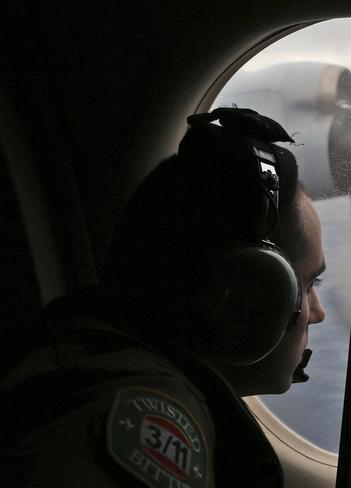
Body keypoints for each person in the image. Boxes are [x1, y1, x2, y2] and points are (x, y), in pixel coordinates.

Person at [0, 108, 326, 487]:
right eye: (307, 285)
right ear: (244, 298)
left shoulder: (94, 354)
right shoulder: (148, 419)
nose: (316, 312)